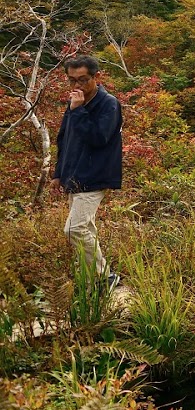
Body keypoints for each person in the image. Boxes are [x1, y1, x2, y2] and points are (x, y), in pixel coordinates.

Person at [53, 55, 123, 288]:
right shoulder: (75, 102)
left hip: (95, 176)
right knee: (86, 228)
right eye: (72, 81)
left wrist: (79, 109)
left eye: (82, 80)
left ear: (97, 77)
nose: (76, 86)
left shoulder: (108, 103)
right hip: (74, 175)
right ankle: (94, 278)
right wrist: (58, 173)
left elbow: (98, 138)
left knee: (74, 229)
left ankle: (105, 277)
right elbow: (64, 139)